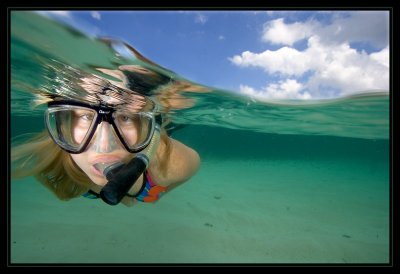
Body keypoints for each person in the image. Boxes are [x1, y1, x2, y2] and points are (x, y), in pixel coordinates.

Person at [11, 64, 205, 207]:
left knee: (172, 123)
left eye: (126, 117)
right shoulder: (54, 156)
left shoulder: (171, 163)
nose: (104, 146)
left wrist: (148, 194)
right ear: (65, 122)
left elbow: (191, 166)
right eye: (86, 116)